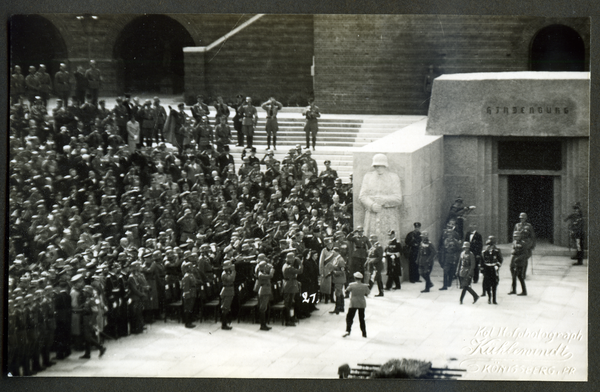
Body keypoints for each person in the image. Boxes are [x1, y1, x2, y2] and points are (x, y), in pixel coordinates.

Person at [358, 154, 403, 243]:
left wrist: (384, 200)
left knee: (388, 240)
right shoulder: (368, 177)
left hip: (389, 215)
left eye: (381, 166)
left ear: (385, 166)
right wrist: (371, 205)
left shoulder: (393, 177)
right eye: (376, 166)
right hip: (372, 214)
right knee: (372, 240)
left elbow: (398, 198)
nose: (378, 168)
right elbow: (362, 196)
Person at [80, 285, 107, 359]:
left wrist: (92, 321)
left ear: (88, 292)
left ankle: (101, 348)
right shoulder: (88, 299)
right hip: (86, 318)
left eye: (85, 292)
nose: (84, 293)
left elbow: (95, 312)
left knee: (88, 337)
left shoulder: (91, 300)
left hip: (89, 319)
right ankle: (87, 353)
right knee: (87, 337)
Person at [343, 271, 370, 338]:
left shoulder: (352, 285)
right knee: (361, 318)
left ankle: (348, 330)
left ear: (355, 278)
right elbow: (367, 293)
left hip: (353, 302)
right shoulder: (365, 286)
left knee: (349, 317)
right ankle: (364, 333)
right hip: (362, 303)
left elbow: (347, 291)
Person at [282, 251, 303, 326]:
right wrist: (300, 263)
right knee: (288, 304)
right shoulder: (288, 267)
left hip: (290, 285)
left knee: (291, 303)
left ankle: (291, 318)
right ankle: (288, 320)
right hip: (289, 286)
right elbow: (300, 271)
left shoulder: (287, 265)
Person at [481, 236, 503, 304]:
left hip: (493, 268)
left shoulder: (497, 251)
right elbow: (482, 261)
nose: (490, 246)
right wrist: (482, 270)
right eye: (489, 245)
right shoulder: (484, 252)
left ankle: (494, 299)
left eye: (492, 244)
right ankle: (489, 298)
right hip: (487, 269)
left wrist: (497, 266)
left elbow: (500, 259)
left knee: (494, 284)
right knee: (487, 285)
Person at [256, 259, 274, 331]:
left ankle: (264, 324)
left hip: (266, 290)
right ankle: (262, 325)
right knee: (263, 308)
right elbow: (270, 276)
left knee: (264, 307)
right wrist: (272, 271)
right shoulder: (260, 274)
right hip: (264, 291)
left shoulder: (263, 272)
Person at [508, 231, 528, 296]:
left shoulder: (523, 243)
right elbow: (513, 250)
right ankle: (513, 290)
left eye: (517, 236)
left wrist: (519, 258)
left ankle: (524, 291)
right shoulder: (514, 243)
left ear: (520, 236)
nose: (516, 237)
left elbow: (525, 254)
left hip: (520, 262)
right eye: (515, 236)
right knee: (513, 276)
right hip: (513, 261)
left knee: (520, 276)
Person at [220, 260, 236, 330]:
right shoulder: (224, 274)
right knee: (225, 308)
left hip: (229, 290)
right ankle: (224, 324)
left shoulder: (227, 272)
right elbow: (231, 279)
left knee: (227, 307)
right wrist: (234, 271)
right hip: (227, 291)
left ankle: (226, 322)